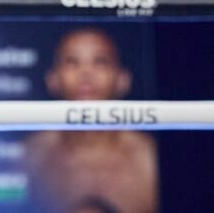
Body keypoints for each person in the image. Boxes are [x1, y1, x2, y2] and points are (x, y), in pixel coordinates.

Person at [24, 28, 158, 213]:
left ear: (123, 80)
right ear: (52, 80)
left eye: (100, 62)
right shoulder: (29, 158)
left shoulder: (149, 160)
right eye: (72, 62)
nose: (86, 73)